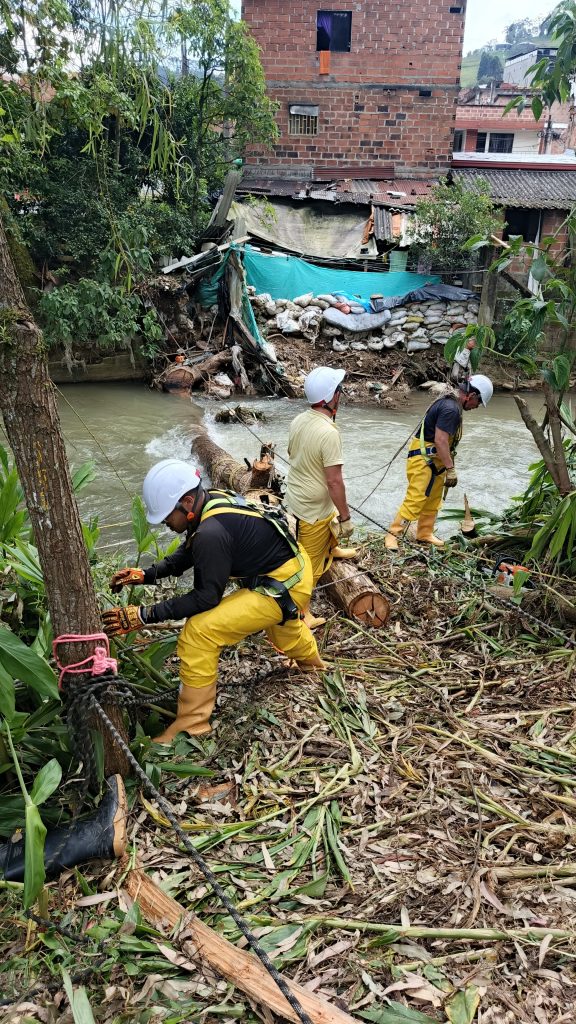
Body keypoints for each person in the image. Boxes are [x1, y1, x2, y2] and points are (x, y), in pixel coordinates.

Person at [102, 459, 325, 743]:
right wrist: (145, 575)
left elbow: (205, 598)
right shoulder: (210, 502)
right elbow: (189, 552)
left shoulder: (211, 532)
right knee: (285, 628)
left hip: (283, 585)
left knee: (199, 632)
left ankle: (192, 723)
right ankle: (314, 666)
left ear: (186, 501)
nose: (167, 524)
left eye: (168, 516)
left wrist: (144, 615)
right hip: (292, 569)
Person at [385, 374, 493, 551]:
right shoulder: (450, 409)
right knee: (416, 498)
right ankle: (392, 534)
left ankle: (424, 533)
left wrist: (446, 465)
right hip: (423, 460)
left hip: (436, 461)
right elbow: (440, 440)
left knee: (434, 500)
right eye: (478, 403)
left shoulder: (452, 404)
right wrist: (450, 468)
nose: (476, 407)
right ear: (471, 396)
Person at [285, 366, 355, 630]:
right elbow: (334, 481)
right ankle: (302, 613)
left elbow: (293, 452)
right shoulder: (329, 432)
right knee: (309, 565)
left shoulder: (299, 420)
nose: (342, 394)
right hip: (311, 508)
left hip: (299, 495)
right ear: (330, 398)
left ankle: (332, 549)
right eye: (339, 390)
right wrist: (347, 517)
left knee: (331, 518)